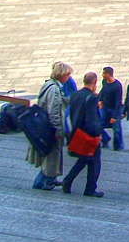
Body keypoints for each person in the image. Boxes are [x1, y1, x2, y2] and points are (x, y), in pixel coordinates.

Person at [27, 61, 72, 190]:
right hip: (51, 129)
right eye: (67, 75)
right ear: (61, 75)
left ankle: (50, 178)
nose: (68, 78)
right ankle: (42, 182)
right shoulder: (54, 90)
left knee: (51, 156)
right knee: (52, 156)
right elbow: (54, 112)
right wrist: (58, 131)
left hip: (45, 127)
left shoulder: (48, 85)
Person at [61, 71, 104, 197]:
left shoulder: (75, 95)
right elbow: (91, 119)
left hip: (77, 133)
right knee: (94, 162)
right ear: (95, 82)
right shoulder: (92, 98)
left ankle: (68, 181)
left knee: (85, 159)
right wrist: (98, 134)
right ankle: (90, 189)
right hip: (89, 135)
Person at [98, 67, 124, 151]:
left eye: (104, 73)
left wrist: (115, 116)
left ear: (108, 74)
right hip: (105, 107)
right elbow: (102, 91)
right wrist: (100, 100)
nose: (102, 75)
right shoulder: (104, 82)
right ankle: (105, 139)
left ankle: (118, 146)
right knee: (98, 124)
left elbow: (118, 102)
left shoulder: (117, 86)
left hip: (114, 109)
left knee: (116, 129)